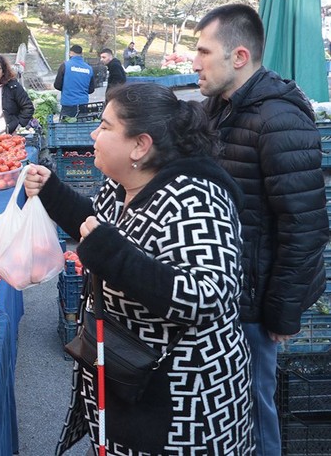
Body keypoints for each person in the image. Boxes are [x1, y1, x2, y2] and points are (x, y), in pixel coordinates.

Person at [25, 83, 253, 454]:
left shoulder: (194, 198)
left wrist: (113, 256)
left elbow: (207, 295)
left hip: (179, 400)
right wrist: (52, 191)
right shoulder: (121, 185)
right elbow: (94, 225)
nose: (93, 134)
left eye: (105, 126)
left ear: (139, 145)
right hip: (126, 379)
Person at [193, 3, 329, 455]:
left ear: (239, 56)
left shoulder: (279, 118)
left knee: (253, 407)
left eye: (203, 51)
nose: (194, 62)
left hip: (255, 302)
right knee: (229, 408)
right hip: (225, 290)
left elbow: (305, 226)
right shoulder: (220, 107)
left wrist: (282, 312)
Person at [53, 45, 95, 118]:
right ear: (82, 54)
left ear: (70, 53)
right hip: (83, 104)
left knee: (66, 127)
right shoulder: (89, 68)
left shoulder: (65, 66)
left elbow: (57, 85)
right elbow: (91, 90)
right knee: (81, 127)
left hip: (68, 104)